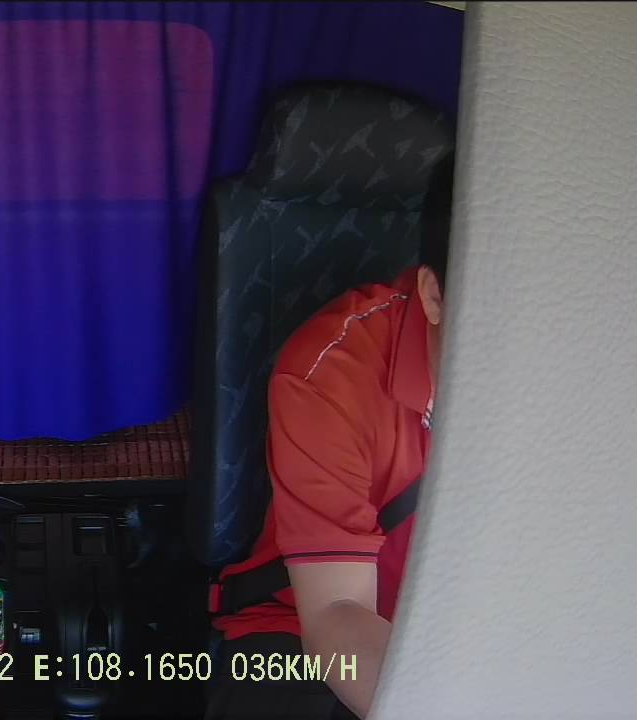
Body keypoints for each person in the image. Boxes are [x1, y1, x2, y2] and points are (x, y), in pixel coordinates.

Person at [206, 155, 455, 720]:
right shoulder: (329, 374)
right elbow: (337, 612)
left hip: (463, 623)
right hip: (302, 623)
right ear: (434, 294)